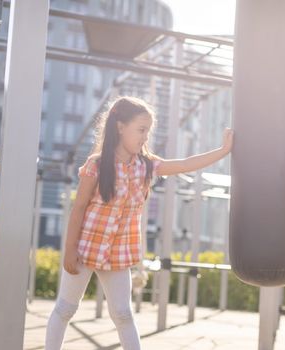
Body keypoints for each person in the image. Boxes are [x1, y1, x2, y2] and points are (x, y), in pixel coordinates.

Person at [45, 96, 233, 350]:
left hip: (119, 253)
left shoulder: (146, 166)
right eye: (141, 130)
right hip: (85, 247)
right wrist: (69, 250)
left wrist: (222, 151)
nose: (145, 137)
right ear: (120, 127)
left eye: (148, 131)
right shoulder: (97, 165)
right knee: (66, 309)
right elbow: (78, 209)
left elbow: (185, 164)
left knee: (123, 314)